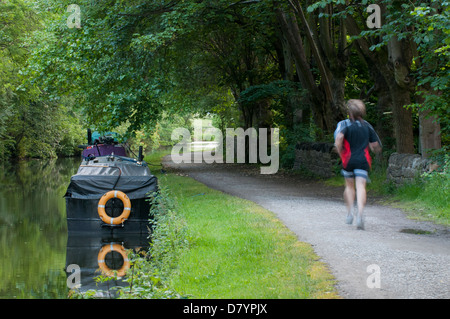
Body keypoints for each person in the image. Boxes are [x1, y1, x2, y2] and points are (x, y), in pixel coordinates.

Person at [334, 99, 382, 230]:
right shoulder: (367, 126)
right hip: (363, 160)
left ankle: (350, 213)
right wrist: (374, 149)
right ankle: (360, 214)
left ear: (350, 113)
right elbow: (375, 145)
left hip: (348, 159)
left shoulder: (346, 125)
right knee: (361, 186)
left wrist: (340, 152)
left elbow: (338, 139)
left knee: (349, 186)